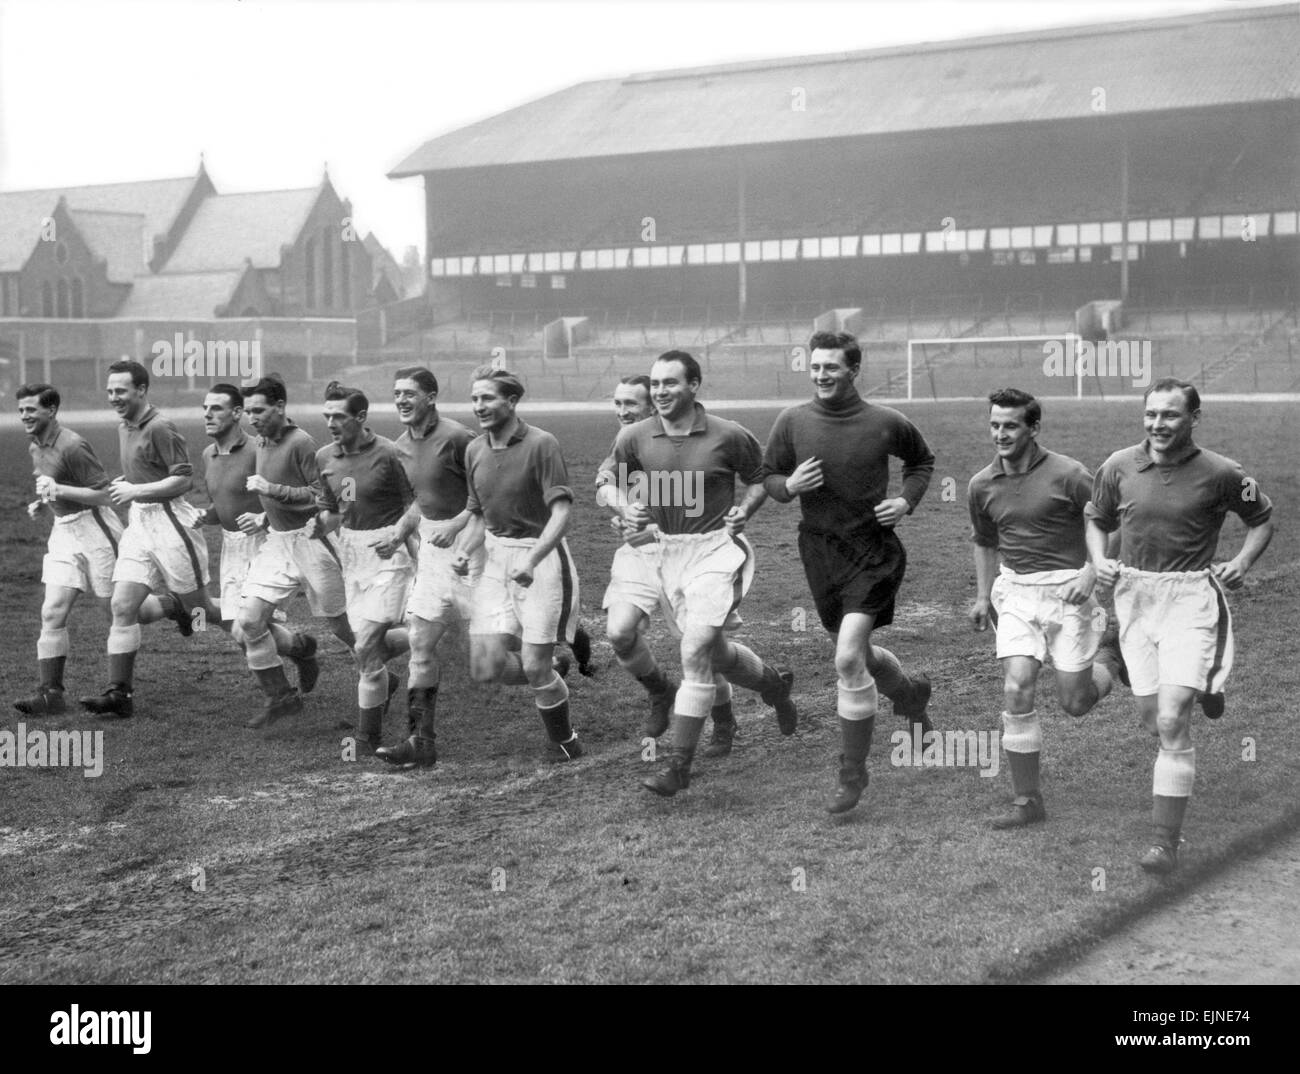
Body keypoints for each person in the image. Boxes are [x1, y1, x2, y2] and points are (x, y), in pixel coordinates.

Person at [1086, 379, 1273, 874]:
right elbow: (1096, 518)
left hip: (1190, 597)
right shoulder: (1117, 465)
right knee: (1153, 719)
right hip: (1134, 597)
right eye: (1150, 415)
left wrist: (1244, 561)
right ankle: (1205, 686)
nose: (1157, 424)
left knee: (1171, 720)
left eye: (1169, 415)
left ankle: (1164, 842)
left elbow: (1262, 517)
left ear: (1194, 417)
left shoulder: (1224, 473)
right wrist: (1097, 560)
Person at [761, 331, 934, 815]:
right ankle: (911, 695)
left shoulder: (885, 422)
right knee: (855, 652)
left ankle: (852, 772)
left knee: (845, 661)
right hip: (819, 551)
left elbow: (921, 460)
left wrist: (905, 500)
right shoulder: (791, 421)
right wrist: (788, 485)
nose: (821, 376)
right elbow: (769, 476)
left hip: (873, 551)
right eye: (815, 368)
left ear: (854, 370)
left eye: (831, 368)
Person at [614, 351, 797, 798]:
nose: (659, 392)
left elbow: (761, 477)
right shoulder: (635, 435)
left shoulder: (729, 434)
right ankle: (772, 684)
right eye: (655, 384)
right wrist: (623, 505)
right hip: (661, 553)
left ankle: (678, 766)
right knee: (713, 652)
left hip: (715, 550)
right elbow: (608, 481)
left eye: (670, 384)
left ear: (694, 385)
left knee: (693, 648)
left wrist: (744, 508)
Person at [968, 388, 1126, 829]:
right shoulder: (981, 484)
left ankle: (1111, 658)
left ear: (1034, 428)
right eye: (995, 425)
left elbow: (1110, 523)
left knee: (1075, 703)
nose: (1000, 434)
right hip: (1016, 593)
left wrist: (1091, 573)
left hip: (1069, 592)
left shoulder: (1070, 474)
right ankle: (1028, 801)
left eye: (1011, 425)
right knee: (1017, 687)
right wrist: (983, 596)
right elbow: (983, 541)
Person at [436, 366, 584, 761]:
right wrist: (466, 549)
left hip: (541, 557)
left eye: (487, 398)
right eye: (474, 399)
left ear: (512, 401)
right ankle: (553, 668)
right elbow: (479, 513)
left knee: (534, 667)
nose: (478, 406)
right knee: (488, 666)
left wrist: (533, 560)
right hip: (496, 558)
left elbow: (561, 512)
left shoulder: (542, 444)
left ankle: (565, 741)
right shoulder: (474, 450)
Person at [596, 375, 737, 753]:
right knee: (620, 632)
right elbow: (605, 487)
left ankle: (724, 720)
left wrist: (651, 521)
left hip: (686, 551)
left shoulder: (683, 442)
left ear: (654, 407)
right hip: (638, 554)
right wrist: (623, 509)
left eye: (631, 405)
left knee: (702, 646)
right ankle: (661, 691)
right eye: (618, 404)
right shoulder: (626, 442)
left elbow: (695, 503)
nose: (623, 412)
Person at [79, 361, 215, 719]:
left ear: (141, 390)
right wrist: (128, 484)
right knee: (123, 607)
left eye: (120, 391)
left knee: (206, 610)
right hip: (140, 522)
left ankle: (290, 646)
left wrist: (136, 488)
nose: (113, 397)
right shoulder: (125, 425)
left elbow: (184, 480)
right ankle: (119, 693)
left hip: (170, 521)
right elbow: (145, 469)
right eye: (110, 391)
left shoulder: (161, 427)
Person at [372, 367, 476, 768]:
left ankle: (552, 662)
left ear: (431, 396)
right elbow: (420, 501)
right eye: (396, 393)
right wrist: (400, 534)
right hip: (433, 552)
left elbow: (485, 497)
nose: (400, 399)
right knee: (420, 640)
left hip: (472, 550)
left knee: (492, 654)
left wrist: (461, 532)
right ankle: (421, 740)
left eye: (410, 393)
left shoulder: (458, 438)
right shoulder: (400, 447)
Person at [235, 375, 352, 728]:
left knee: (344, 628)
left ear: (281, 407)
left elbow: (321, 497)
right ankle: (281, 698)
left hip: (313, 540)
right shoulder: (261, 441)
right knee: (248, 622)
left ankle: (381, 677)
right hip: (278, 542)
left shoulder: (302, 443)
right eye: (249, 412)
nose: (252, 418)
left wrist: (272, 490)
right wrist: (263, 515)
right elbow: (279, 498)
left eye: (259, 410)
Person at [306, 382, 413, 753]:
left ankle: (366, 738)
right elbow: (336, 508)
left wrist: (399, 538)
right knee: (372, 645)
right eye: (327, 416)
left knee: (365, 647)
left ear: (361, 416)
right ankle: (435, 639)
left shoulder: (390, 453)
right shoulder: (325, 458)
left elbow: (417, 504)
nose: (331, 423)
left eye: (339, 416)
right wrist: (321, 524)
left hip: (390, 553)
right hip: (351, 554)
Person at [14, 383, 125, 715]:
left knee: (119, 611)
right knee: (52, 611)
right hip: (64, 532)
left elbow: (105, 495)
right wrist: (44, 501)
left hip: (96, 528)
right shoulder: (36, 445)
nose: (24, 416)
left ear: (51, 410)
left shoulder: (74, 445)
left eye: (30, 409)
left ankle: (175, 606)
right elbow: (54, 486)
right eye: (21, 410)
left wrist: (58, 488)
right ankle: (51, 693)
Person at [194, 384, 276, 631]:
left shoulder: (259, 449)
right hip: (230, 545)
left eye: (216, 408)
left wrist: (263, 517)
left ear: (238, 413)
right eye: (205, 408)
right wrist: (206, 515)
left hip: (264, 544)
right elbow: (222, 506)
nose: (207, 414)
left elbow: (285, 497)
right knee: (234, 624)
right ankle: (298, 649)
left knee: (250, 625)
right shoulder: (208, 454)